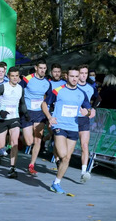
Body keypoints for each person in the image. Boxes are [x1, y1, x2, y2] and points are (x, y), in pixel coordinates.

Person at [41, 66, 95, 194]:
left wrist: (86, 112)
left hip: (73, 127)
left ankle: (56, 183)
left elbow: (89, 110)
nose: (75, 79)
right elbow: (44, 104)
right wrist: (49, 117)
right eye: (72, 76)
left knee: (66, 158)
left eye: (77, 76)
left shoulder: (81, 93)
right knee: (63, 154)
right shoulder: (58, 90)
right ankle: (54, 144)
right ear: (67, 77)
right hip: (59, 126)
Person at [0, 67, 29, 178]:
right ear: (8, 77)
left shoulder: (20, 88)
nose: (15, 78)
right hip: (2, 118)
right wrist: (0, 111)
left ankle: (12, 168)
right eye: (12, 76)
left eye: (17, 76)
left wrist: (26, 113)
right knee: (0, 145)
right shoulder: (2, 87)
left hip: (14, 118)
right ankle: (3, 148)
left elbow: (22, 103)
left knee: (14, 142)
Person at [19, 59, 51, 175]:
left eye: (44, 68)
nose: (42, 70)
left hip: (39, 113)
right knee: (29, 142)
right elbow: (18, 91)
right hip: (27, 112)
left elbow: (49, 97)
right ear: (36, 68)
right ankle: (21, 136)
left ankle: (32, 164)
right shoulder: (27, 79)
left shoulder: (47, 83)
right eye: (40, 68)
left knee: (38, 139)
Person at [77, 64, 100, 182]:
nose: (84, 75)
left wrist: (93, 108)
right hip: (70, 119)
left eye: (86, 73)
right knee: (66, 148)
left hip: (84, 119)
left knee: (84, 145)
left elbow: (98, 98)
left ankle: (83, 172)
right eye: (82, 73)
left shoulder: (91, 87)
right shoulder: (72, 86)